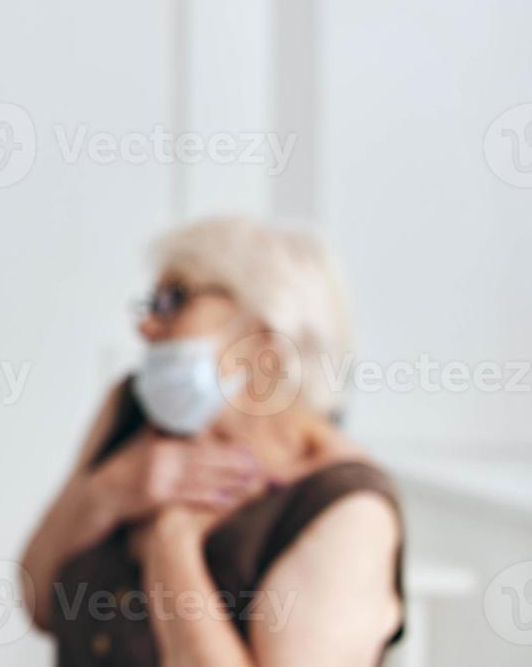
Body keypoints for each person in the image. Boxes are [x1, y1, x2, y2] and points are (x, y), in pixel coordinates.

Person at [20, 216, 403, 666]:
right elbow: (39, 604)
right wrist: (109, 492)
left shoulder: (349, 508)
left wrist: (170, 541)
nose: (146, 327)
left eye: (172, 300)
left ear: (265, 333)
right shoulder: (131, 413)